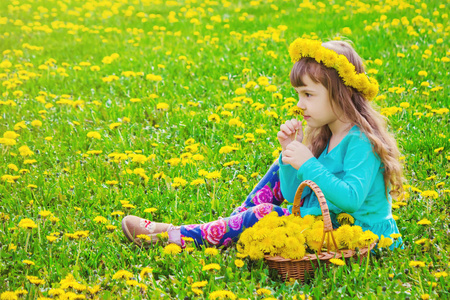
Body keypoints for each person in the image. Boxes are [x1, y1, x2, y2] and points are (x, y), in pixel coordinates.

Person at [121, 38, 404, 250]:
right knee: (280, 168)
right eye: (298, 94)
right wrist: (289, 157)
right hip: (323, 221)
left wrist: (307, 163)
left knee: (266, 212)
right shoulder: (326, 137)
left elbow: (352, 199)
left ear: (340, 94)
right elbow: (295, 195)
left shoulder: (361, 142)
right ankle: (229, 225)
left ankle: (173, 235)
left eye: (308, 94)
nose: (299, 104)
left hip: (361, 235)